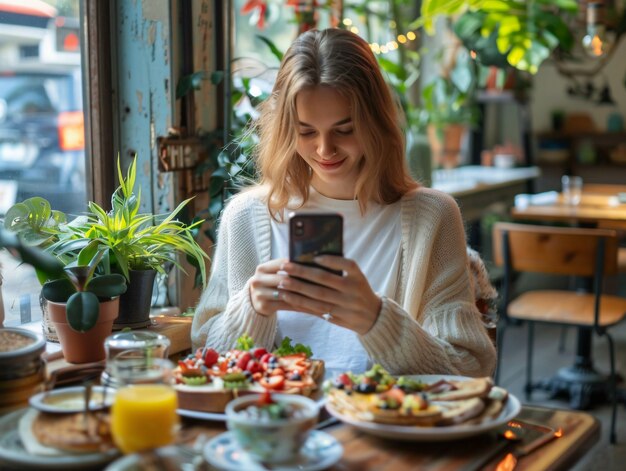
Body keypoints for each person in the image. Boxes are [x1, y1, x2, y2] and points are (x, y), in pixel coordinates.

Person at [192, 28, 496, 377]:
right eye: (306, 131)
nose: (325, 150)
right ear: (286, 130)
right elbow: (205, 356)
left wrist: (376, 319)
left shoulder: (432, 217)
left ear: (375, 122)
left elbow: (471, 368)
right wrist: (252, 309)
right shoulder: (246, 217)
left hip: (381, 428)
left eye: (345, 129)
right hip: (278, 424)